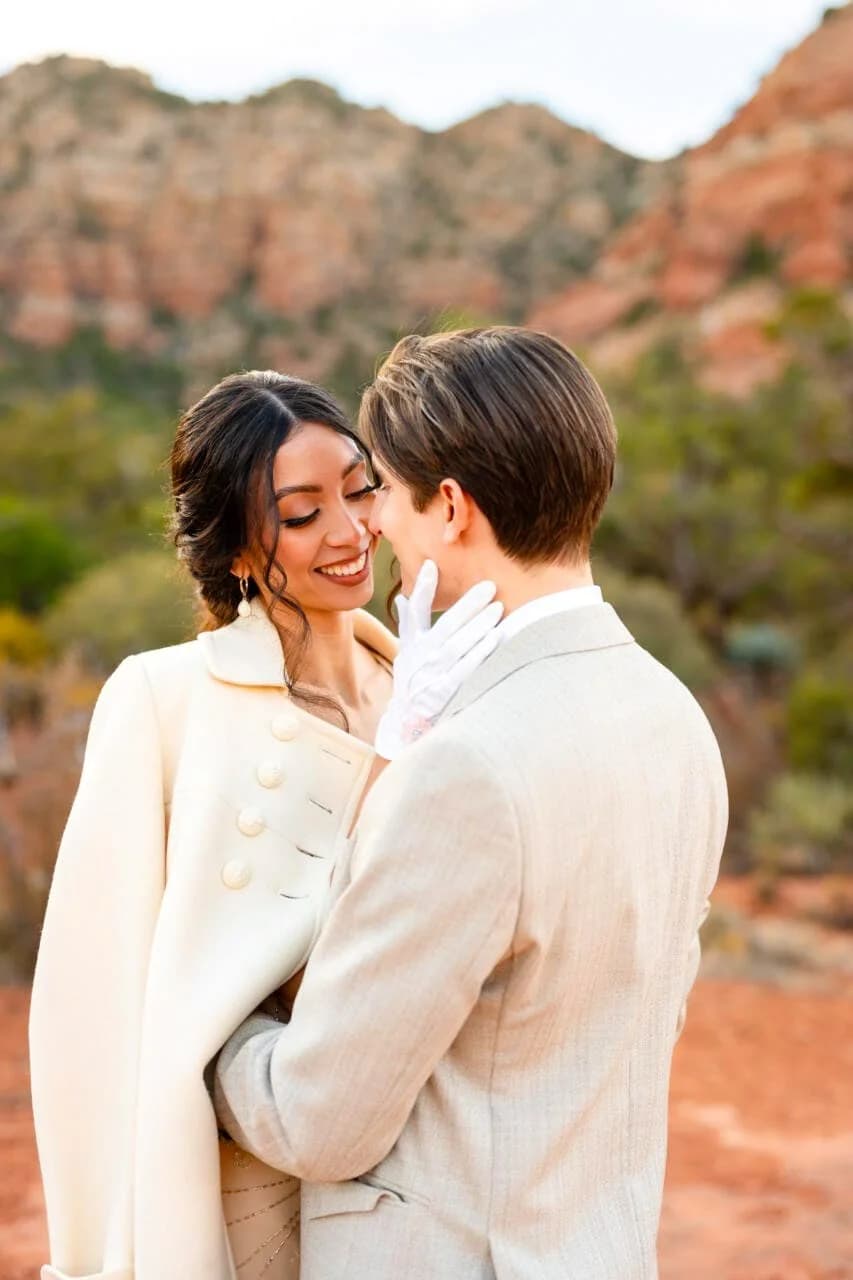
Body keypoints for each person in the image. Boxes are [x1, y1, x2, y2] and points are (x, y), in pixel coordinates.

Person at [214, 328, 730, 1280]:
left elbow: (317, 1119)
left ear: (449, 506)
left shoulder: (468, 770)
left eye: (389, 498)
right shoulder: (677, 719)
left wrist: (208, 1032)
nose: (377, 530)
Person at [28, 368, 501, 1280]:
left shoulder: (431, 688)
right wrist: (94, 1256)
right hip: (232, 1178)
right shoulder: (164, 699)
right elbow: (89, 1007)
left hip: (406, 1179)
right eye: (300, 513)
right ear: (238, 548)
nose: (349, 530)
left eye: (360, 490)